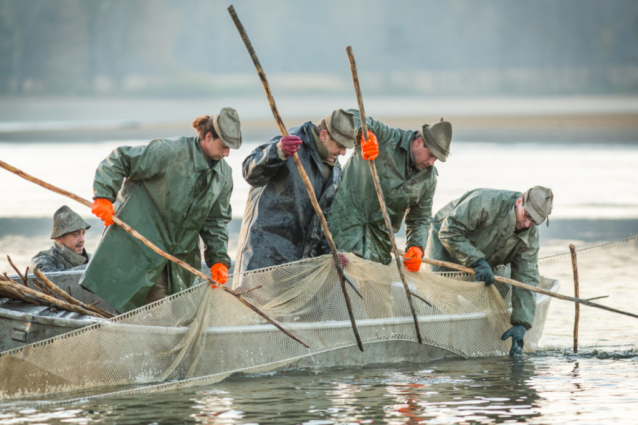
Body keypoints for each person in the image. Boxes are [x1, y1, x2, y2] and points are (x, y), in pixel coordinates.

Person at [79, 108, 241, 313]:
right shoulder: (169, 152)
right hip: (137, 250)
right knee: (152, 316)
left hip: (178, 263)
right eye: (224, 146)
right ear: (208, 137)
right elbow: (119, 159)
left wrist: (219, 260)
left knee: (170, 319)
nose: (227, 153)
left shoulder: (224, 176)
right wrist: (103, 196)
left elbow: (216, 223)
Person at [424, 186, 554, 355]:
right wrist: (476, 260)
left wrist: (522, 324)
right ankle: (439, 347)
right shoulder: (484, 202)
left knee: (499, 297)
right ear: (519, 201)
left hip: (486, 251)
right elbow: (449, 232)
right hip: (445, 239)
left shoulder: (530, 233)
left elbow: (526, 277)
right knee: (442, 298)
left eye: (535, 221)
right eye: (527, 216)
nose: (527, 224)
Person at [234, 109, 356, 277]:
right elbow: (249, 171)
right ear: (324, 136)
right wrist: (277, 152)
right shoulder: (292, 142)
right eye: (341, 145)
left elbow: (323, 219)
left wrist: (331, 251)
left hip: (299, 264)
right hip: (262, 258)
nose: (343, 152)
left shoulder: (335, 169)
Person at [329, 110, 452, 272]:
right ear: (419, 141)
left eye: (435, 159)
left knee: (377, 294)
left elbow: (420, 219)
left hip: (378, 244)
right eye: (430, 155)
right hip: (337, 227)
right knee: (327, 282)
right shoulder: (386, 137)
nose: (431, 162)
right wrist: (364, 134)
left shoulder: (428, 180)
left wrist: (417, 247)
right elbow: (351, 115)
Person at [31, 205, 91, 272]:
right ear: (59, 238)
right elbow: (50, 278)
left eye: (83, 233)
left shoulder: (92, 260)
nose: (82, 239)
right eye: (75, 234)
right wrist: (90, 268)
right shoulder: (42, 261)